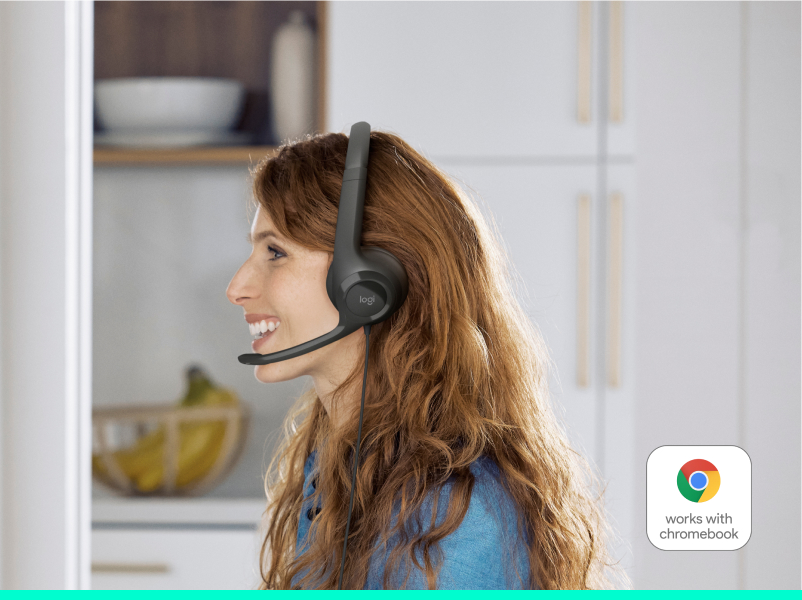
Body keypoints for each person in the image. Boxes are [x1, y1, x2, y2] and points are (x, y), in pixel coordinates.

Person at [226, 130, 619, 589]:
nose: (237, 287)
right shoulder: (336, 467)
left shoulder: (456, 514)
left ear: (368, 284)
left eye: (275, 253)